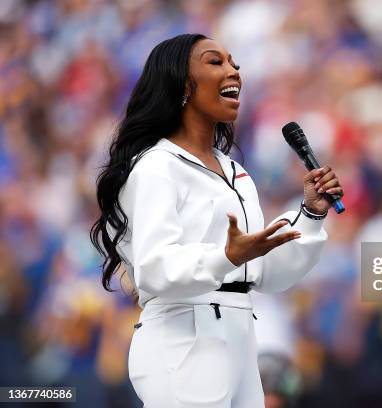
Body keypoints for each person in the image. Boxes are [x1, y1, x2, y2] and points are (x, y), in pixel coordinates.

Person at [89, 33, 343, 408]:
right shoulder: (155, 166)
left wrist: (310, 214)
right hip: (184, 339)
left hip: (241, 337)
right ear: (181, 84)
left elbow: (264, 274)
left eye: (234, 62)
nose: (234, 71)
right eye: (215, 62)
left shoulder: (236, 172)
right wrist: (225, 256)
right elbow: (154, 268)